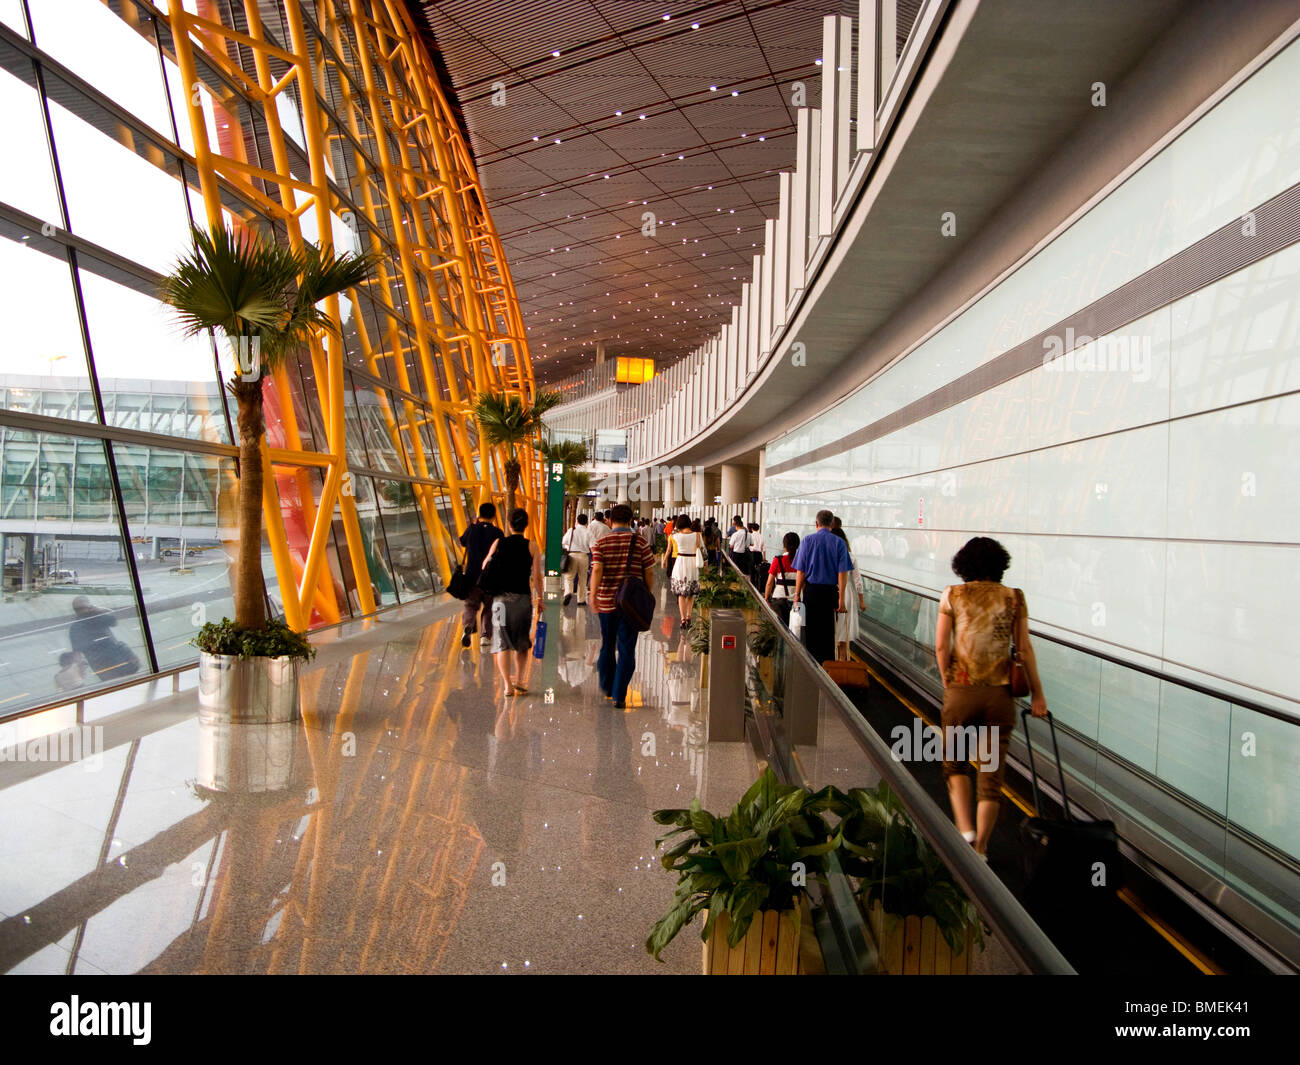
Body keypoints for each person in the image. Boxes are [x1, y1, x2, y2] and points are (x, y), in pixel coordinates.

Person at [935, 536, 1047, 859]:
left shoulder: (952, 595)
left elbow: (942, 645)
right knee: (991, 774)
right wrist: (1038, 694)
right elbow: (1024, 649)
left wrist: (947, 678)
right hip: (999, 697)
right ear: (1000, 564)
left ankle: (965, 830)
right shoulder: (1014, 598)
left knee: (954, 764)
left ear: (963, 564)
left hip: (961, 691)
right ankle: (982, 847)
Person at [589, 503, 655, 709]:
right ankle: (619, 695)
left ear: (609, 521)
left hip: (607, 603)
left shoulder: (601, 543)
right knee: (627, 649)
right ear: (630, 521)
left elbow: (597, 568)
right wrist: (647, 594)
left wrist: (593, 595)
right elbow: (650, 572)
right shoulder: (641, 543)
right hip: (630, 606)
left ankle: (607, 686)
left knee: (607, 645)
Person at [479, 507, 544, 697]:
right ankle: (520, 679)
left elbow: (485, 565)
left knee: (502, 643)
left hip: (500, 600)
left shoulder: (499, 542)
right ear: (526, 525)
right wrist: (540, 598)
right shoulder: (531, 546)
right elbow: (538, 577)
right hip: (522, 600)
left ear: (508, 524)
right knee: (521, 642)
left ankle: (507, 685)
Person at [790, 510, 852, 665]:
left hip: (811, 592)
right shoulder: (839, 543)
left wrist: (797, 594)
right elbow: (842, 573)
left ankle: (812, 665)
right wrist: (841, 599)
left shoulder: (807, 541)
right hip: (830, 593)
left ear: (816, 523)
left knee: (811, 631)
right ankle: (827, 668)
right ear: (832, 524)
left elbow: (801, 572)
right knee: (827, 633)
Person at [459, 502, 503, 648]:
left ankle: (468, 626)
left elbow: (462, 541)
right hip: (491, 577)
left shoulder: (472, 529)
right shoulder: (497, 533)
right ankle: (485, 636)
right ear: (494, 516)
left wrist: (474, 524)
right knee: (489, 606)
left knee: (470, 605)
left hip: (472, 576)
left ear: (480, 514)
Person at [68, 597, 140, 680]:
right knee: (130, 681)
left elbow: (77, 652)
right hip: (117, 660)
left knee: (114, 686)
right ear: (88, 607)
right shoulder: (96, 617)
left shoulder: (74, 628)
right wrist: (97, 611)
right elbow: (113, 621)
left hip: (100, 667)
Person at [830, 527, 866, 660]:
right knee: (845, 629)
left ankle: (835, 658)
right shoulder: (851, 556)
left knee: (835, 627)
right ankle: (843, 658)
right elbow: (858, 580)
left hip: (833, 591)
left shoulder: (830, 555)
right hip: (848, 595)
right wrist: (861, 600)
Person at [668, 513, 702, 625]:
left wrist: (676, 527)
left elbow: (672, 533)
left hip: (680, 562)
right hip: (692, 563)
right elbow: (702, 550)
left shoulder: (676, 535)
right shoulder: (697, 535)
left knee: (681, 594)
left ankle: (682, 619)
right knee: (691, 594)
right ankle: (688, 616)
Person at [764, 532, 800, 626]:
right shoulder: (802, 560)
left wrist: (766, 597)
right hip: (798, 601)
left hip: (779, 600)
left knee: (780, 629)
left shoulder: (778, 560)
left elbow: (769, 583)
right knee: (797, 630)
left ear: (784, 545)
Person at [561, 514, 590, 606]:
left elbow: (564, 542)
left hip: (572, 555)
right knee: (583, 578)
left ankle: (568, 593)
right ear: (586, 522)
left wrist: (569, 547)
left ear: (577, 521)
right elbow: (593, 544)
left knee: (569, 577)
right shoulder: (588, 531)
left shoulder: (571, 530)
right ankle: (581, 600)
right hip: (584, 556)